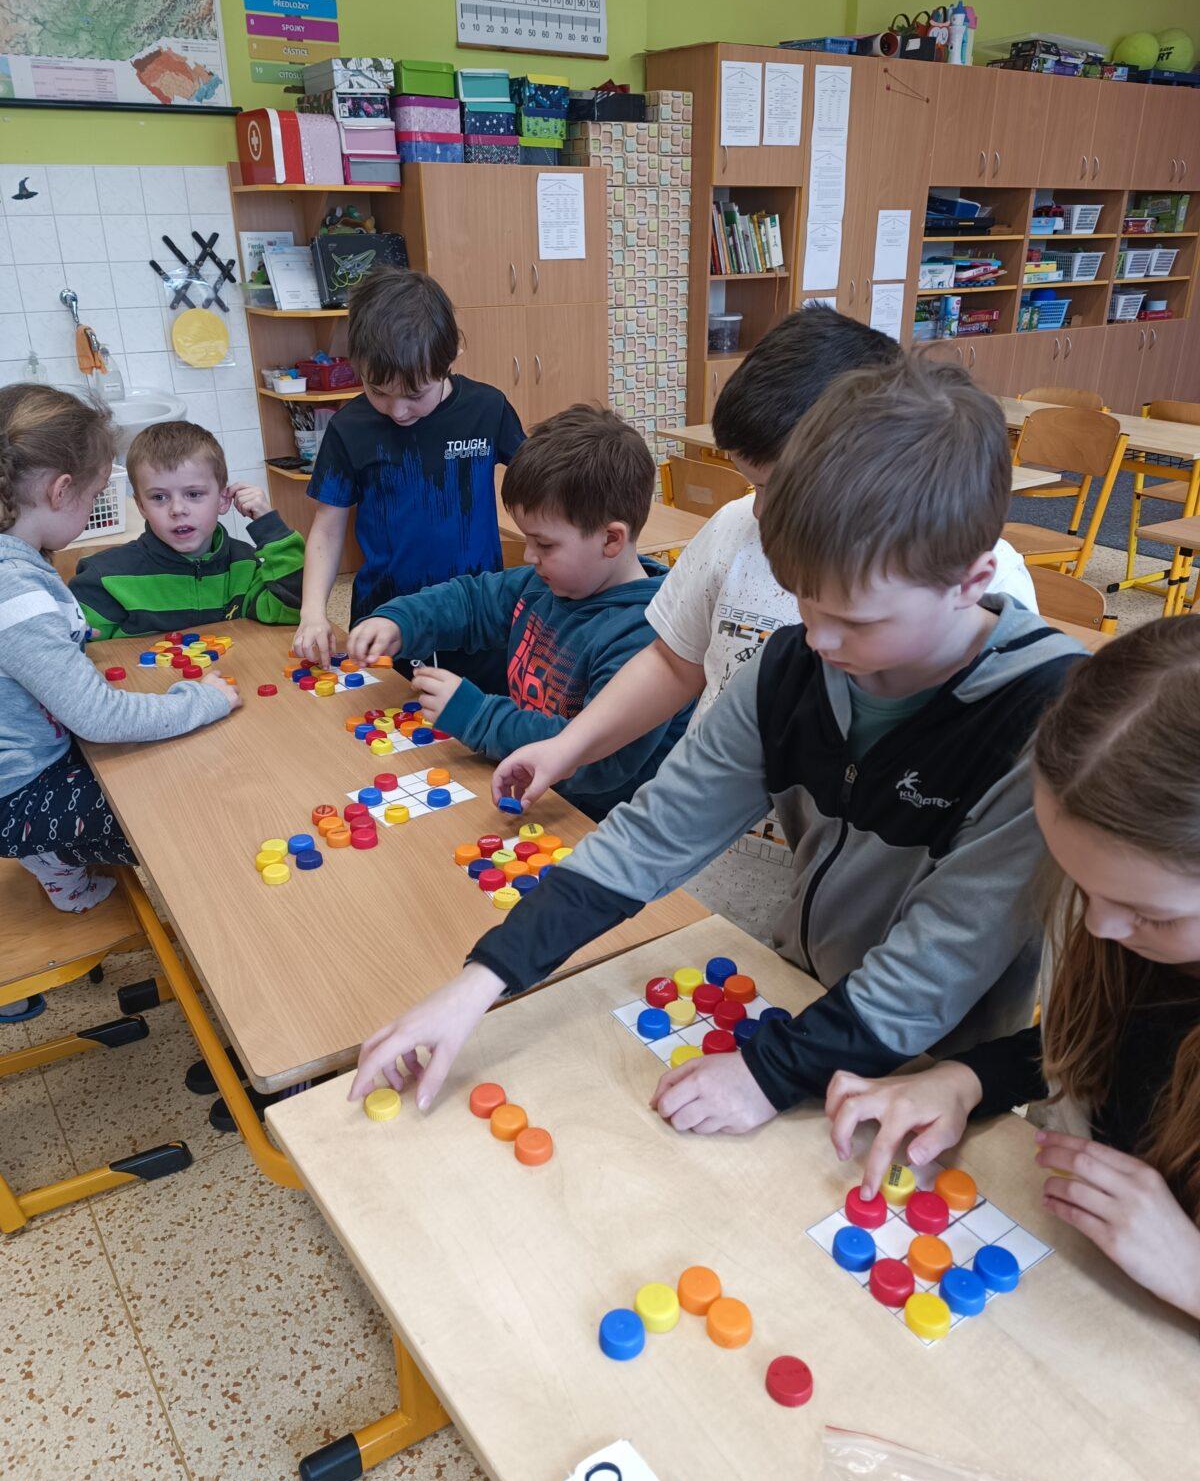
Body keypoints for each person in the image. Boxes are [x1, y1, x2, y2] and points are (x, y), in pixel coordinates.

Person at [349, 354, 1083, 1123]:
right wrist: (483, 979)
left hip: (939, 1063)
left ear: (974, 578)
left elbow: (940, 961)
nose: (819, 641)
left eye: (858, 620)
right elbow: (655, 832)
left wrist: (769, 1075)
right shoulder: (791, 664)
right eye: (804, 600)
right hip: (807, 983)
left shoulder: (1041, 714)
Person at [492, 308, 1036, 811]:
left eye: (775, 485)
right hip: (712, 829)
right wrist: (569, 746)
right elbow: (672, 661)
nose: (759, 508)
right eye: (750, 483)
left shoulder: (971, 577)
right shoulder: (735, 526)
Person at [825, 619, 1200, 1322]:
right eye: (1081, 887)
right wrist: (964, 1078)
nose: (1099, 928)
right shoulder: (1140, 929)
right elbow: (1100, 1049)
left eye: (1149, 913)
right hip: (1084, 1287)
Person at [347, 406, 694, 819]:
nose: (529, 556)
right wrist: (400, 620)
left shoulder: (645, 634)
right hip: (528, 791)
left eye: (544, 545)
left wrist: (476, 715)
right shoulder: (543, 584)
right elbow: (471, 601)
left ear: (611, 540)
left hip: (596, 823)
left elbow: (591, 756)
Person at [0, 386, 237, 913]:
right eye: (95, 496)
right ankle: (51, 849)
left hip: (31, 761)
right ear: (62, 491)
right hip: (16, 794)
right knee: (196, 812)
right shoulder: (17, 595)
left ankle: (50, 848)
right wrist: (200, 700)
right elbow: (99, 719)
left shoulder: (17, 564)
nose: (92, 510)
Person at [293, 268, 525, 692]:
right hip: (386, 621)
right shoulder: (350, 428)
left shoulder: (487, 409)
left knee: (478, 734)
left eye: (415, 394)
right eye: (379, 391)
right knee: (388, 736)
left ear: (452, 353)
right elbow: (327, 530)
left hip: (476, 619)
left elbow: (536, 482)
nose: (397, 411)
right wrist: (313, 612)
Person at [70, 421, 305, 638]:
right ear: (141, 505)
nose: (177, 509)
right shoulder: (105, 578)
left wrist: (270, 528)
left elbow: (294, 610)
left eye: (194, 494)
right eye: (159, 497)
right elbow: (76, 656)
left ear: (223, 500)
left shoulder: (246, 566)